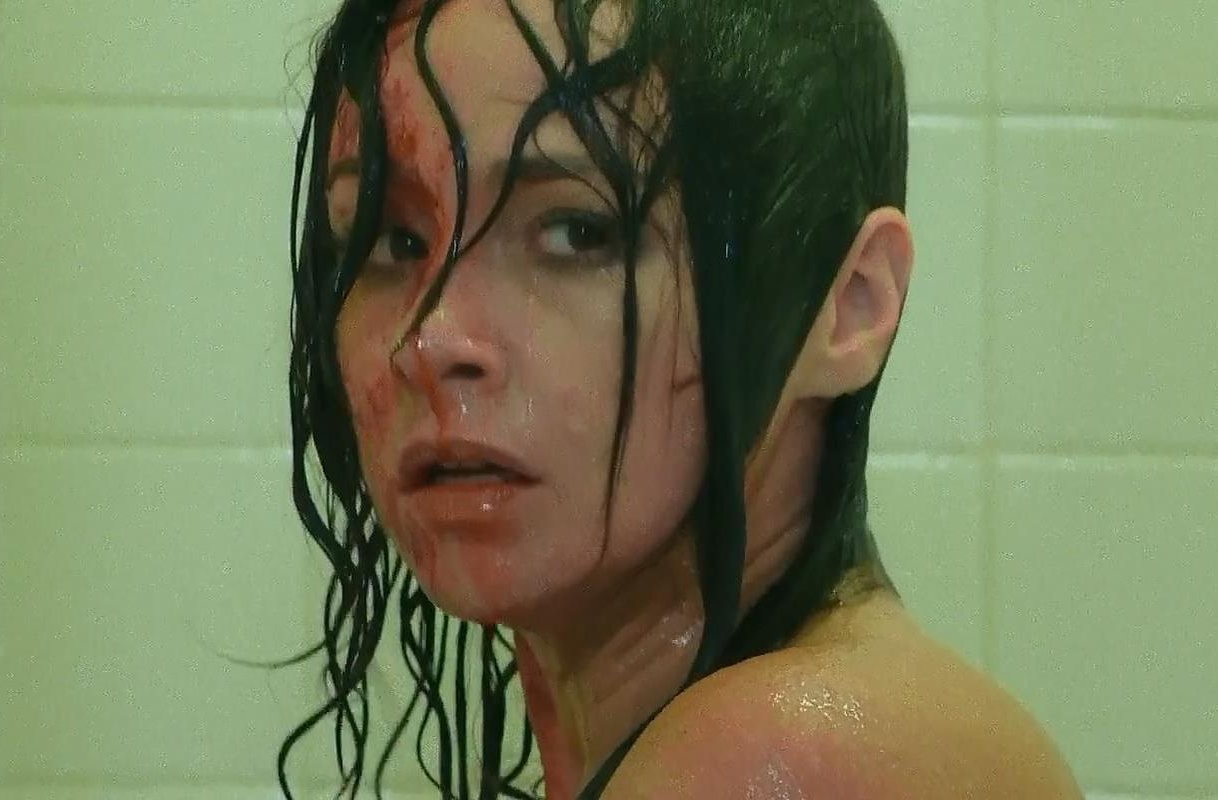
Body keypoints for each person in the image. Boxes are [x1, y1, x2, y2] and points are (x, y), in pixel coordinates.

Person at [279, 0, 1080, 797]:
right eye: (392, 241)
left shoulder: (770, 760)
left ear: (852, 303)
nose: (431, 340)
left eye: (578, 232)